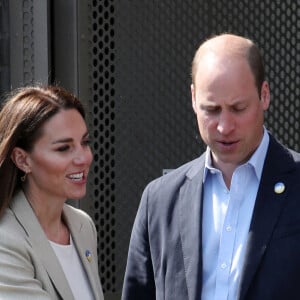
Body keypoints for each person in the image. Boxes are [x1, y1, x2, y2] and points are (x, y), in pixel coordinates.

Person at [122, 33, 300, 300]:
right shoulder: (159, 200)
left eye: (238, 108)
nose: (224, 126)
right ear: (193, 99)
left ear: (264, 95)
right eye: (211, 109)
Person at [0, 85, 104, 300]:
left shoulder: (82, 225)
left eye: (85, 142)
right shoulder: (6, 241)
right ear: (22, 159)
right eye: (63, 148)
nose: (83, 158)